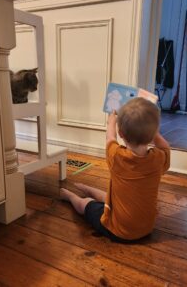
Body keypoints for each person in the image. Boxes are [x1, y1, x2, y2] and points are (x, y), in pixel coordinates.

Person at [60, 97, 170, 243]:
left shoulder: (117, 156)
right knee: (111, 197)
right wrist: (152, 131)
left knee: (85, 204)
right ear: (153, 134)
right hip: (146, 228)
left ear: (121, 133)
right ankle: (87, 188)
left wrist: (111, 121)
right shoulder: (158, 159)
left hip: (118, 230)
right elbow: (165, 146)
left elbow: (110, 137)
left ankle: (71, 197)